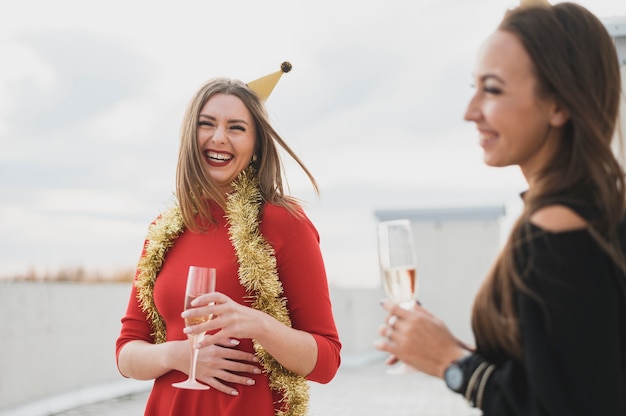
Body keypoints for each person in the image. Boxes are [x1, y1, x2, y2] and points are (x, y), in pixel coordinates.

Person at [375, 2, 626, 415]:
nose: (470, 111)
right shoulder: (592, 209)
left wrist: (450, 363)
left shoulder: (558, 231)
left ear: (559, 105)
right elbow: (566, 375)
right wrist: (444, 346)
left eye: (491, 89)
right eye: (472, 87)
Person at [115, 62, 341, 416]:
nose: (219, 138)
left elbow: (327, 361)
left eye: (236, 128)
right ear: (191, 134)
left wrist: (258, 324)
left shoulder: (285, 223)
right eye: (207, 124)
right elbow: (127, 353)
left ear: (256, 145)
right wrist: (178, 354)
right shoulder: (163, 231)